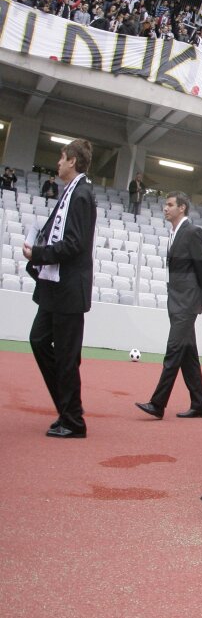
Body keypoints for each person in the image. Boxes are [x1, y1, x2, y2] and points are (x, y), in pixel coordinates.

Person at [24, 139, 97, 439]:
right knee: (39, 340)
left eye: (62, 157)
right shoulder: (72, 192)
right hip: (56, 287)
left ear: (73, 162)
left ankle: (73, 420)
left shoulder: (81, 194)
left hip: (67, 289)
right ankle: (67, 409)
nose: (58, 162)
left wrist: (38, 254)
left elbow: (74, 244)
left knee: (67, 356)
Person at [135, 192, 202, 420]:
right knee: (188, 355)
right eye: (165, 204)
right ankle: (200, 405)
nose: (165, 208)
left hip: (187, 301)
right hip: (176, 299)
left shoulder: (193, 231)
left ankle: (157, 404)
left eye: (170, 204)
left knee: (174, 350)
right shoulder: (174, 232)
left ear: (182, 208)